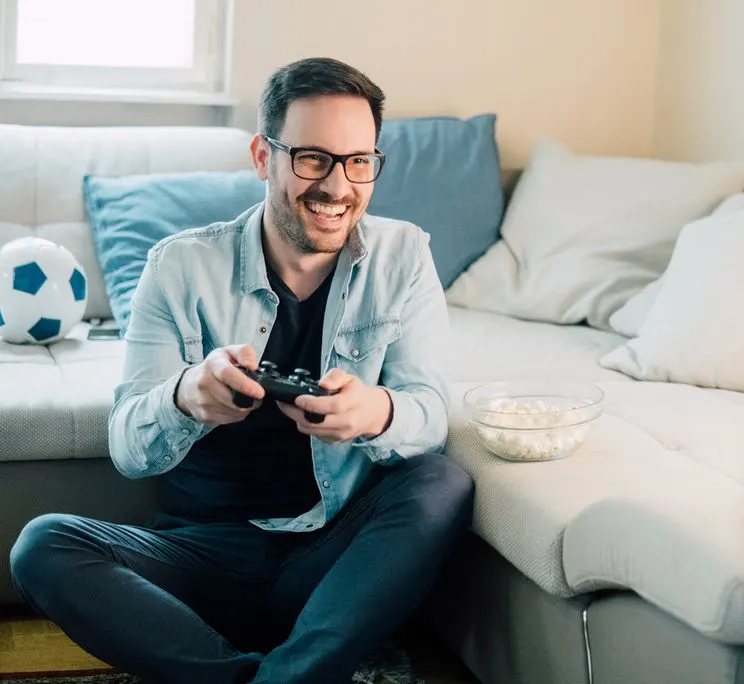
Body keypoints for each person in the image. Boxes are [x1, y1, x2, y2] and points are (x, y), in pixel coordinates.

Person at [9, 57, 474, 684]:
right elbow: (127, 445)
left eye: (358, 161)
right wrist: (184, 397)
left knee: (441, 481)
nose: (338, 187)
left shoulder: (405, 257)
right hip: (201, 561)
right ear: (263, 157)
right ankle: (283, 673)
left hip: (331, 561)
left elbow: (430, 411)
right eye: (312, 158)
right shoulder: (178, 268)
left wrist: (375, 412)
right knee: (44, 545)